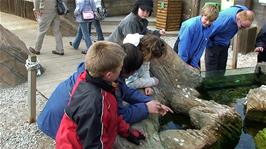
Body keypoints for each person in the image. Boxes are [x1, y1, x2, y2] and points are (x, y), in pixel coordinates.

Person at [37, 41, 172, 139]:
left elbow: (125, 90)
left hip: (50, 117)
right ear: (121, 71)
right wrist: (145, 108)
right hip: (57, 127)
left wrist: (149, 101)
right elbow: (117, 116)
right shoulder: (97, 95)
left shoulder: (96, 71)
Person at [56, 41, 145, 148]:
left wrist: (127, 131)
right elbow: (93, 144)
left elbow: (111, 115)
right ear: (109, 75)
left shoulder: (93, 80)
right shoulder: (95, 103)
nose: (121, 70)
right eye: (120, 68)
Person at [205, 5, 254, 74]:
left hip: (225, 43)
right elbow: (207, 34)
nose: (243, 29)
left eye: (246, 27)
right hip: (214, 45)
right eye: (242, 26)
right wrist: (210, 45)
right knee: (212, 71)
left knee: (221, 69)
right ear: (238, 19)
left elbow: (238, 6)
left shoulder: (243, 11)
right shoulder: (222, 20)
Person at [173, 5, 219, 69]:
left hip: (194, 52)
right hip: (181, 52)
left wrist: (194, 63)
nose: (207, 22)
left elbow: (202, 46)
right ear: (202, 15)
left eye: (211, 21)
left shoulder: (210, 27)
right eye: (206, 19)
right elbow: (184, 45)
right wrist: (183, 64)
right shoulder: (190, 26)